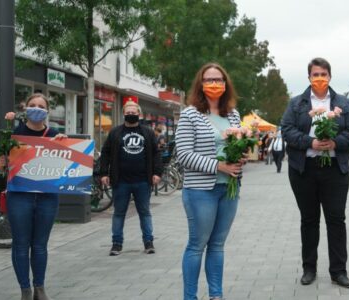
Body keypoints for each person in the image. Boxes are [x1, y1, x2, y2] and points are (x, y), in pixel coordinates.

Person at [281, 57, 349, 288]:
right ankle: (309, 268)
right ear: (309, 77)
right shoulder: (297, 103)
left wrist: (335, 142)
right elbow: (287, 130)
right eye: (315, 75)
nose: (319, 78)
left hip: (335, 170)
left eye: (323, 74)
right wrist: (310, 142)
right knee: (309, 220)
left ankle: (338, 271)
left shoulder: (342, 103)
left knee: (336, 220)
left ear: (330, 77)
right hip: (304, 170)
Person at [175, 63, 246, 300]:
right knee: (197, 245)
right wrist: (219, 165)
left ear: (226, 84)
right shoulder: (190, 114)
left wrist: (241, 157)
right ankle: (190, 297)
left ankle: (216, 295)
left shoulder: (233, 114)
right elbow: (183, 154)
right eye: (209, 80)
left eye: (218, 80)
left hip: (229, 188)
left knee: (217, 245)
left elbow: (236, 147)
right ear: (201, 84)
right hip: (200, 190)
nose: (214, 84)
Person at [5, 93, 67, 300]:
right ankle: (25, 290)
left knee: (40, 245)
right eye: (32, 105)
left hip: (47, 197)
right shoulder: (14, 133)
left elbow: (65, 165)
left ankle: (39, 288)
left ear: (47, 111)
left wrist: (64, 145)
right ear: (25, 108)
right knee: (21, 244)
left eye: (41, 106)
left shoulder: (55, 134)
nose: (36, 109)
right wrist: (4, 155)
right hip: (20, 196)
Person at [99, 101, 162, 256]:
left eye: (134, 113)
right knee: (119, 213)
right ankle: (116, 244)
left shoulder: (147, 132)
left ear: (139, 115)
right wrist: (103, 173)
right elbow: (105, 153)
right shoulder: (115, 132)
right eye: (129, 112)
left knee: (145, 212)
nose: (131, 115)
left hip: (143, 181)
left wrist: (157, 173)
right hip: (120, 181)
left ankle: (149, 242)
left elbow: (156, 154)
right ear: (123, 113)